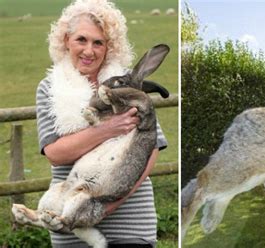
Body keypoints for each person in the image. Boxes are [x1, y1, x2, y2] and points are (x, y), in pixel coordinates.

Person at [35, 0, 167, 247]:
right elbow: (55, 153)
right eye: (81, 40)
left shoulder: (128, 84)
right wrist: (107, 129)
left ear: (109, 47)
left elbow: (151, 149)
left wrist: (106, 206)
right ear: (66, 40)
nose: (89, 50)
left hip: (129, 217)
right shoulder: (49, 88)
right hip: (68, 212)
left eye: (98, 42)